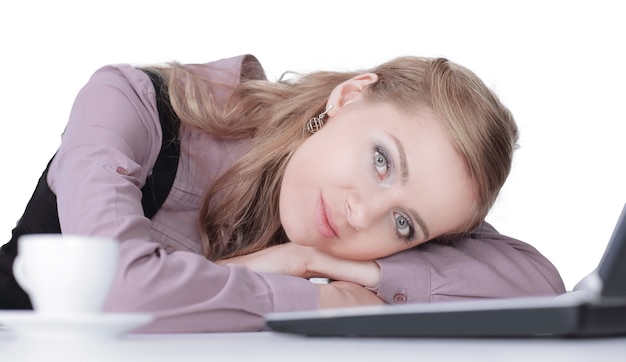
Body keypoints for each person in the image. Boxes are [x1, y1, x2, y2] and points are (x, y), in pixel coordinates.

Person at [0, 54, 565, 332]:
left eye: (403, 225)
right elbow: (113, 289)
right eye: (380, 161)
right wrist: (310, 294)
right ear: (348, 97)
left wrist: (330, 264)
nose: (361, 213)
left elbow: (539, 284)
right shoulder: (132, 102)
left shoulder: (348, 236)